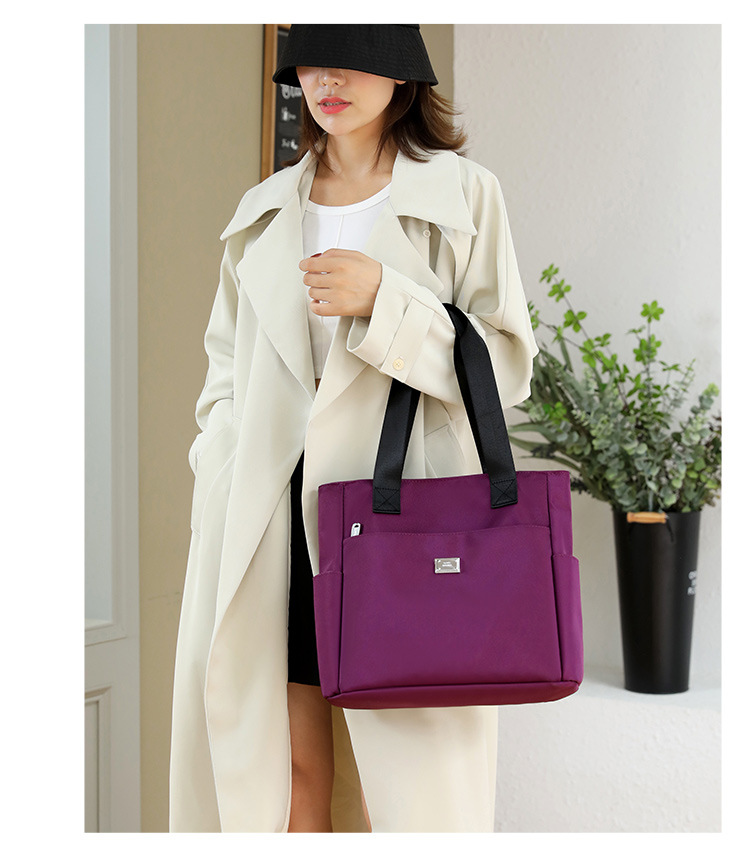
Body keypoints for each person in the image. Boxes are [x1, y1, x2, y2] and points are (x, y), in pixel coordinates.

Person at [169, 24, 538, 833]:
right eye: (311, 62)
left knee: (399, 791)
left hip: (401, 513)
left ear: (401, 74)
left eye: (353, 60)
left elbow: (506, 365)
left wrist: (387, 301)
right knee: (286, 777)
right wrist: (219, 464)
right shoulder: (265, 210)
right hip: (272, 523)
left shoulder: (464, 194)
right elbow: (224, 372)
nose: (327, 81)